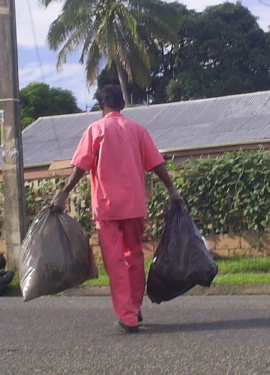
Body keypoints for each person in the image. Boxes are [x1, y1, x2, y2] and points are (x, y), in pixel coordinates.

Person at [50, 84, 184, 333]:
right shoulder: (138, 130)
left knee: (115, 262)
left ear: (102, 106)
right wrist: (172, 191)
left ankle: (128, 316)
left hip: (107, 207)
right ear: (122, 104)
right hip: (134, 205)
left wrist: (63, 194)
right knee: (134, 256)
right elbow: (157, 164)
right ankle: (135, 307)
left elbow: (80, 167)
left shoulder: (96, 129)